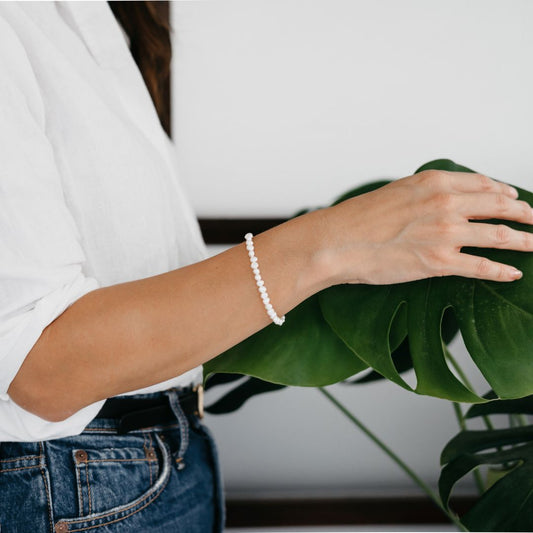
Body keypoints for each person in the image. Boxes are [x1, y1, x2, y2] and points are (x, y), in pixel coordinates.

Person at [0, 2, 532, 532]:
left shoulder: (93, 18)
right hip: (70, 478)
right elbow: (42, 368)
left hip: (149, 457)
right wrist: (334, 240)